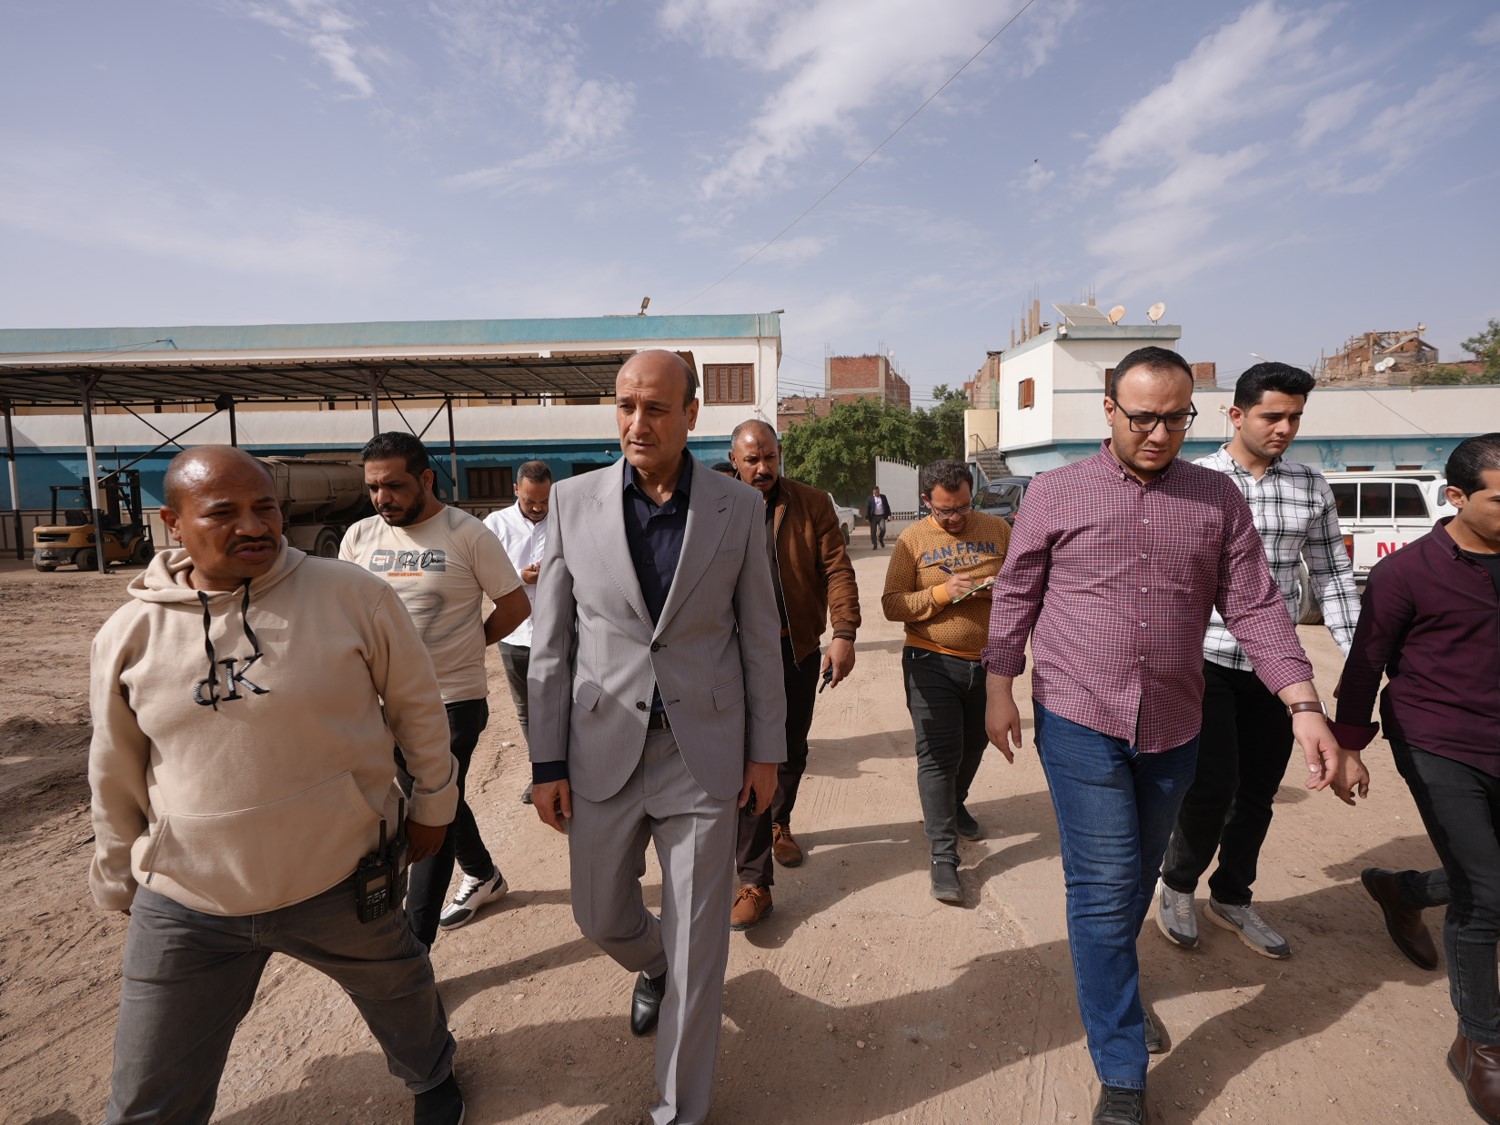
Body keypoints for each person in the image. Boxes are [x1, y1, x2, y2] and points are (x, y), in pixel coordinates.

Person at [982, 346, 1365, 1125]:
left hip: (1173, 723)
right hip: (1080, 718)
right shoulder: (1055, 492)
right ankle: (1122, 1068)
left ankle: (1113, 981)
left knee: (1135, 877)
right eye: (1143, 417)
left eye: (1175, 418)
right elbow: (1017, 590)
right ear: (1109, 411)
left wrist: (1302, 701)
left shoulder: (1214, 497)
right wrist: (998, 684)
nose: (1159, 434)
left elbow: (1255, 602)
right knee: (1103, 885)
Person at [89, 446, 465, 1125]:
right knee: (148, 1090)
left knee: (400, 991)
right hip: (189, 900)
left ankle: (432, 1075)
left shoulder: (352, 595)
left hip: (342, 876)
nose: (253, 525)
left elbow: (417, 708)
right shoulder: (129, 635)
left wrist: (435, 804)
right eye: (224, 512)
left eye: (265, 507)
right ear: (174, 523)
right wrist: (119, 877)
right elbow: (114, 768)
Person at [526, 349, 787, 1125]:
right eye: (626, 406)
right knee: (600, 915)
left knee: (701, 946)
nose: (637, 423)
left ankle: (679, 1109)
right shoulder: (572, 502)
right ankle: (657, 963)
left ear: (692, 414)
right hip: (600, 747)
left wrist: (766, 751)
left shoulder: (737, 508)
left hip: (701, 752)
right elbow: (551, 645)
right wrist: (546, 759)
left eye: (656, 408)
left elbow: (760, 637)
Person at [1157, 362, 1363, 959]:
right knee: (1211, 786)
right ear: (1236, 414)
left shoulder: (1310, 486)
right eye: (1273, 415)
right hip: (1205, 658)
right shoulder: (1191, 481)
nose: (1284, 428)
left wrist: (1361, 658)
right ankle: (1177, 884)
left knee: (1259, 790)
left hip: (1277, 667)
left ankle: (1232, 896)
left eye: (1295, 417)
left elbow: (1333, 578)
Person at [1334, 433, 1500, 1122]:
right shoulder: (1406, 573)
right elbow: (1365, 660)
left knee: (1484, 877)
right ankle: (1481, 1045)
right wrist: (1348, 744)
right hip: (1438, 739)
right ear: (1456, 496)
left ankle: (1400, 890)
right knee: (1487, 892)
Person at [341, 433, 530, 941]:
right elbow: (346, 614)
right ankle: (484, 873)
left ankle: (416, 946)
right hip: (379, 702)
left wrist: (469, 644)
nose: (382, 498)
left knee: (429, 807)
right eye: (373, 487)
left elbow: (515, 606)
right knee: (441, 795)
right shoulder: (358, 537)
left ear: (425, 479)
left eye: (394, 485)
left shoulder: (467, 534)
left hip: (451, 700)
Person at [726, 419, 860, 929]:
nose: (763, 468)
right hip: (735, 655)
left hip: (795, 649)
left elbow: (837, 567)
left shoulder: (812, 503)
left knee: (790, 749)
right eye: (752, 459)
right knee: (748, 756)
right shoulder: (715, 504)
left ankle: (778, 822)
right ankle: (754, 881)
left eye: (770, 457)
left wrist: (843, 632)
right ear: (734, 460)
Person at [881, 459, 1010, 903]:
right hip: (930, 659)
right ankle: (943, 855)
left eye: (963, 507)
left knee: (974, 746)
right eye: (945, 510)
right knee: (938, 756)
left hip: (987, 664)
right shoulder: (912, 540)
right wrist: (941, 593)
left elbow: (1023, 583)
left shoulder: (997, 529)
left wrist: (996, 587)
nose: (956, 518)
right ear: (926, 502)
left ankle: (954, 804)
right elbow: (892, 604)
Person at [483, 460, 552, 806]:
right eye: (530, 501)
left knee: (563, 705)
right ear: (516, 491)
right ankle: (541, 774)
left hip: (558, 633)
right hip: (515, 634)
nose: (538, 508)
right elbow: (481, 574)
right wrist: (518, 577)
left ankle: (568, 772)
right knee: (526, 711)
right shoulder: (494, 525)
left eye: (544, 501)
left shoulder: (563, 520)